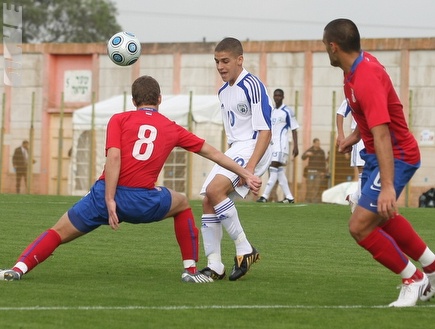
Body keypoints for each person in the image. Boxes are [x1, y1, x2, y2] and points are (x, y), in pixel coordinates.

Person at [0, 75, 263, 284]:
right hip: (144, 202)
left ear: (133, 100)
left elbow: (114, 158)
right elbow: (213, 153)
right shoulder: (171, 127)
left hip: (104, 198)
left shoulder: (119, 119)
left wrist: (110, 199)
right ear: (160, 99)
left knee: (57, 232)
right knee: (182, 203)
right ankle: (190, 270)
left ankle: (18, 268)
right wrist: (246, 173)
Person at [323, 18, 435, 307]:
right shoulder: (354, 72)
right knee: (381, 218)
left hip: (395, 156)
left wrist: (387, 187)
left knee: (360, 225)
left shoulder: (366, 76)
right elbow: (371, 116)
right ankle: (432, 268)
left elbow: (382, 133)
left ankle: (413, 279)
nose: (326, 51)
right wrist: (352, 138)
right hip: (378, 157)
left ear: (334, 47)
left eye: (325, 46)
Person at [199, 37, 272, 281]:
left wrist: (249, 169)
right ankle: (214, 265)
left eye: (225, 61)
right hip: (236, 149)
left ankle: (245, 248)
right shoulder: (222, 91)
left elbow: (265, 130)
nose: (220, 66)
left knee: (214, 189)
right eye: (217, 61)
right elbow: (233, 134)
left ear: (240, 60)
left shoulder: (251, 85)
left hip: (253, 147)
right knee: (209, 198)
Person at [257, 88, 299, 203]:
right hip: (273, 145)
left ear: (283, 97)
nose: (277, 97)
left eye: (279, 96)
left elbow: (294, 129)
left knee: (273, 167)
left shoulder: (287, 111)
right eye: (276, 95)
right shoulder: (272, 111)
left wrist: (296, 146)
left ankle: (264, 196)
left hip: (282, 145)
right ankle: (289, 197)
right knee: (279, 171)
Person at [336, 99, 365, 212]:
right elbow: (340, 112)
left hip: (374, 134)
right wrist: (341, 135)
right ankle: (362, 206)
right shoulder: (354, 93)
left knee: (373, 171)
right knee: (363, 170)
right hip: (358, 136)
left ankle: (355, 197)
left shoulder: (376, 93)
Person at [301, 138, 327, 203]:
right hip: (311, 172)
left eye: (319, 143)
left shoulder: (321, 151)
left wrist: (323, 172)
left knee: (317, 187)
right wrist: (306, 154)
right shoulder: (310, 150)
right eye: (317, 143)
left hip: (318, 172)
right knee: (309, 186)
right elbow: (302, 157)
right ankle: (307, 199)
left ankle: (314, 200)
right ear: (314, 143)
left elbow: (323, 162)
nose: (318, 144)